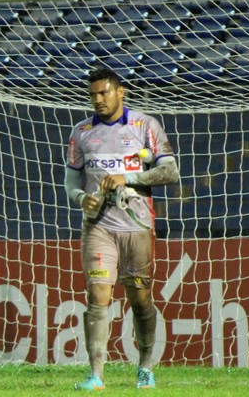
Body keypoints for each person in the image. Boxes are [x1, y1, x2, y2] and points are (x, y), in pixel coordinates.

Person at [64, 68, 179, 391]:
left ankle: (145, 367)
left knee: (140, 300)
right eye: (93, 95)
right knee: (98, 294)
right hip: (99, 226)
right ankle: (96, 375)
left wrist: (127, 178)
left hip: (138, 226)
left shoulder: (145, 126)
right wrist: (80, 197)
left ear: (120, 92)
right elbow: (72, 178)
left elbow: (170, 171)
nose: (98, 100)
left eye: (104, 93)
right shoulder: (82, 132)